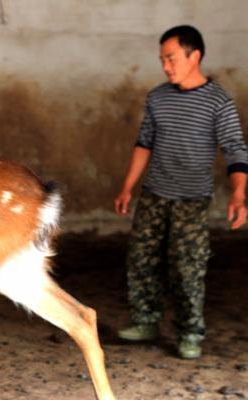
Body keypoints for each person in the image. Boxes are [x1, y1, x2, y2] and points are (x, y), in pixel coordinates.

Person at [114, 25, 248, 359]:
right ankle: (145, 321)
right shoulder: (158, 97)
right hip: (155, 194)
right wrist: (128, 186)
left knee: (188, 267)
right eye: (162, 59)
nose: (166, 66)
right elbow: (144, 143)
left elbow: (235, 150)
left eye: (171, 58)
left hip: (192, 199)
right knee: (141, 259)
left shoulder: (218, 102)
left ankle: (189, 333)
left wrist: (239, 194)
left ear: (195, 56)